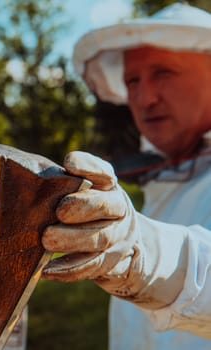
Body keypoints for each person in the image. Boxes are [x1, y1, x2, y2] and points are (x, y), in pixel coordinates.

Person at [40, 3, 211, 350]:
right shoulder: (163, 182)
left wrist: (141, 251)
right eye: (133, 81)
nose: (145, 98)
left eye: (164, 72)